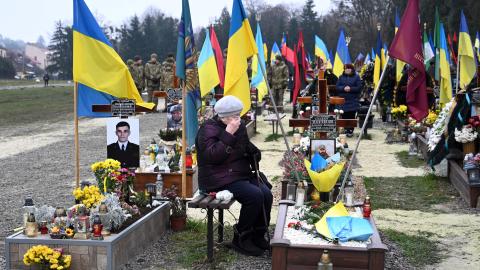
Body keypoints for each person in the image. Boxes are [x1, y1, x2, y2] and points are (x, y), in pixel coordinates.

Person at [196, 96, 273, 256]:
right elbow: (212, 156)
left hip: (239, 173)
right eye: (234, 116)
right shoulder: (207, 129)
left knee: (266, 194)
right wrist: (228, 133)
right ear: (223, 117)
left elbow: (244, 145)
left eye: (239, 115)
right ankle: (241, 237)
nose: (238, 119)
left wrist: (253, 152)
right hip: (217, 178)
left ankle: (257, 235)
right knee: (254, 196)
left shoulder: (240, 125)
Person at [336, 63, 363, 137]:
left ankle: (350, 129)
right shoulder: (341, 77)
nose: (347, 70)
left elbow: (359, 88)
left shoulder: (356, 77)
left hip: (353, 100)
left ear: (352, 69)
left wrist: (350, 88)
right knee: (344, 115)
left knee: (351, 115)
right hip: (343, 100)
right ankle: (345, 128)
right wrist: (343, 88)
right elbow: (337, 87)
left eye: (348, 68)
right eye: (345, 68)